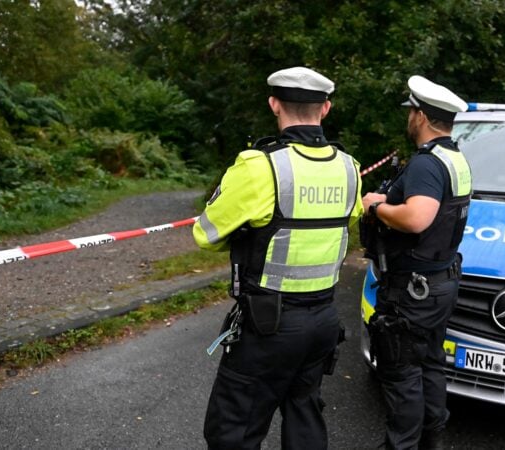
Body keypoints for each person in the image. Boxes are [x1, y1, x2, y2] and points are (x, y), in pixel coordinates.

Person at [193, 66, 363, 450]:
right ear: (326, 109)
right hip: (323, 320)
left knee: (232, 431)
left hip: (268, 325)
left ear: (274, 104)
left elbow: (206, 234)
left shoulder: (260, 166)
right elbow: (347, 220)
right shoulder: (350, 168)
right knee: (304, 419)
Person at [360, 75, 472, 450]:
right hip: (438, 282)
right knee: (429, 364)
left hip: (414, 289)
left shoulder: (426, 163)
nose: (408, 117)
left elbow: (418, 218)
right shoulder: (454, 157)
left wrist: (377, 206)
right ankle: (430, 442)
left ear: (421, 116)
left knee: (401, 370)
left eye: (411, 111)